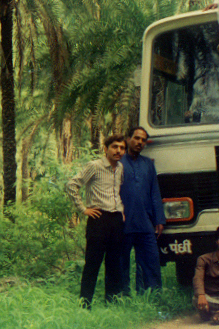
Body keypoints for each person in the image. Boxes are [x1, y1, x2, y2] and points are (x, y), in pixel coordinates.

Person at [66, 134, 127, 308]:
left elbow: (117, 191)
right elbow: (72, 184)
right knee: (93, 263)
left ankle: (112, 302)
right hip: (98, 218)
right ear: (106, 149)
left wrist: (121, 211)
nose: (118, 151)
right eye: (115, 147)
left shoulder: (120, 167)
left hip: (116, 220)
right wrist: (83, 209)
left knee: (114, 263)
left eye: (122, 148)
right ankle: (85, 304)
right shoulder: (95, 166)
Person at [120, 126, 166, 295]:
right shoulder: (118, 163)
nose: (139, 142)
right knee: (121, 262)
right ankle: (122, 298)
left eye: (143, 140)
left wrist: (159, 219)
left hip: (145, 222)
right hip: (123, 223)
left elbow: (155, 192)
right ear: (128, 139)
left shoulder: (147, 164)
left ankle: (151, 296)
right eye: (136, 138)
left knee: (150, 261)